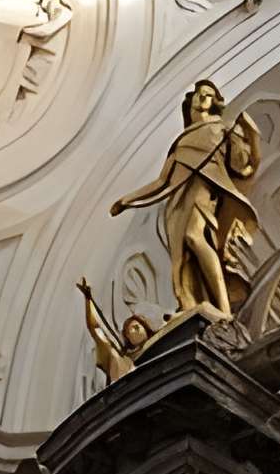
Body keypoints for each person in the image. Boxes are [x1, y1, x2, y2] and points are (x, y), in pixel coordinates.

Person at [109, 80, 262, 320]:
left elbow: (242, 166)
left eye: (209, 95)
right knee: (179, 264)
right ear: (190, 100)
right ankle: (190, 307)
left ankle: (224, 310)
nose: (203, 98)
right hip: (177, 204)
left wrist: (251, 136)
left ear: (215, 103)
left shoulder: (221, 130)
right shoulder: (182, 141)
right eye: (199, 94)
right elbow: (162, 182)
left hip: (202, 196)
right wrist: (127, 200)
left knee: (194, 236)